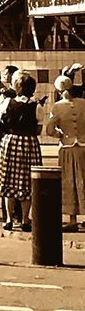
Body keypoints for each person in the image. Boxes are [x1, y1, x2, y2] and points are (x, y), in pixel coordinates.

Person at [0, 75, 42, 233]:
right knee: (27, 182)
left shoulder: (7, 103)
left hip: (10, 141)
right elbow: (38, 130)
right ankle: (25, 219)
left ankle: (9, 219)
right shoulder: (37, 106)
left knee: (9, 181)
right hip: (29, 142)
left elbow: (1, 122)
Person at [46, 77, 85, 231]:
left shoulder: (57, 107)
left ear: (58, 90)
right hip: (84, 146)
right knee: (84, 180)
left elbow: (49, 130)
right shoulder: (83, 103)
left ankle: (72, 219)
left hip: (67, 147)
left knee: (69, 182)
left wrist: (60, 135)